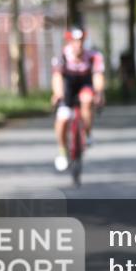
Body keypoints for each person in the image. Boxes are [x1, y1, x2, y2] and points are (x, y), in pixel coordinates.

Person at [51, 27, 105, 171]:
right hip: (68, 86)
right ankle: (62, 151)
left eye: (80, 41)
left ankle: (87, 133)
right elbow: (57, 77)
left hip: (85, 84)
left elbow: (98, 76)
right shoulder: (61, 56)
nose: (78, 45)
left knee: (87, 100)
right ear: (69, 42)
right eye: (75, 41)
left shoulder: (94, 56)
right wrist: (57, 94)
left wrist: (99, 93)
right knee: (62, 119)